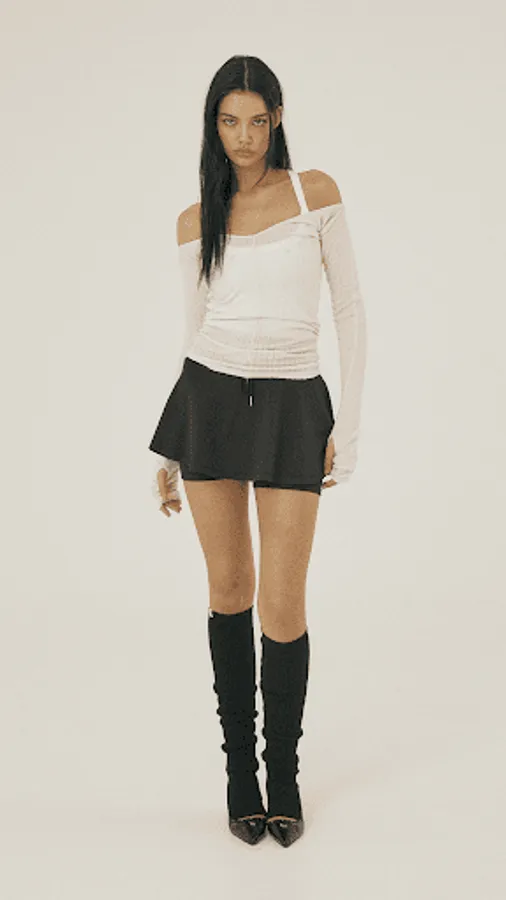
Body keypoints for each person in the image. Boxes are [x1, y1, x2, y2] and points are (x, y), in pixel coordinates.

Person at [148, 55, 367, 848]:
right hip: (208, 399)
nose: (243, 136)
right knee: (230, 587)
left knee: (282, 602)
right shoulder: (194, 219)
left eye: (256, 120)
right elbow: (194, 328)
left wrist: (349, 425)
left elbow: (349, 308)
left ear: (277, 119)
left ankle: (285, 774)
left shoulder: (315, 193)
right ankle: (241, 772)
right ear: (213, 126)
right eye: (228, 121)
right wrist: (172, 450)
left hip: (292, 401)